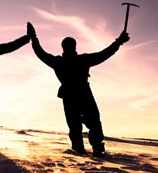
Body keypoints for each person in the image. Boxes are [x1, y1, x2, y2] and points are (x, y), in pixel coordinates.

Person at [27, 22, 130, 156]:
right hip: (80, 95)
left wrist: (34, 38)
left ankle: (84, 148)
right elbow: (104, 54)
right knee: (87, 123)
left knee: (81, 124)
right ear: (72, 47)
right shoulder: (80, 60)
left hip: (73, 95)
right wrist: (118, 42)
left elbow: (40, 53)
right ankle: (91, 147)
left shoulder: (61, 61)